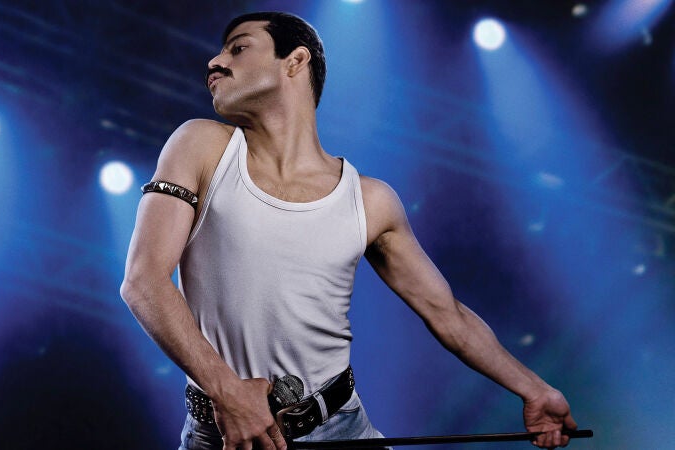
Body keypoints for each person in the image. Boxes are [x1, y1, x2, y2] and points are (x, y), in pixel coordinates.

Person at [120, 11, 578, 450]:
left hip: (339, 428)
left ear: (295, 61)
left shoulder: (370, 200)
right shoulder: (201, 144)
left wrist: (535, 390)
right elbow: (144, 282)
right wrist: (227, 392)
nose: (214, 62)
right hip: (222, 434)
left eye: (238, 48)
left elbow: (448, 315)